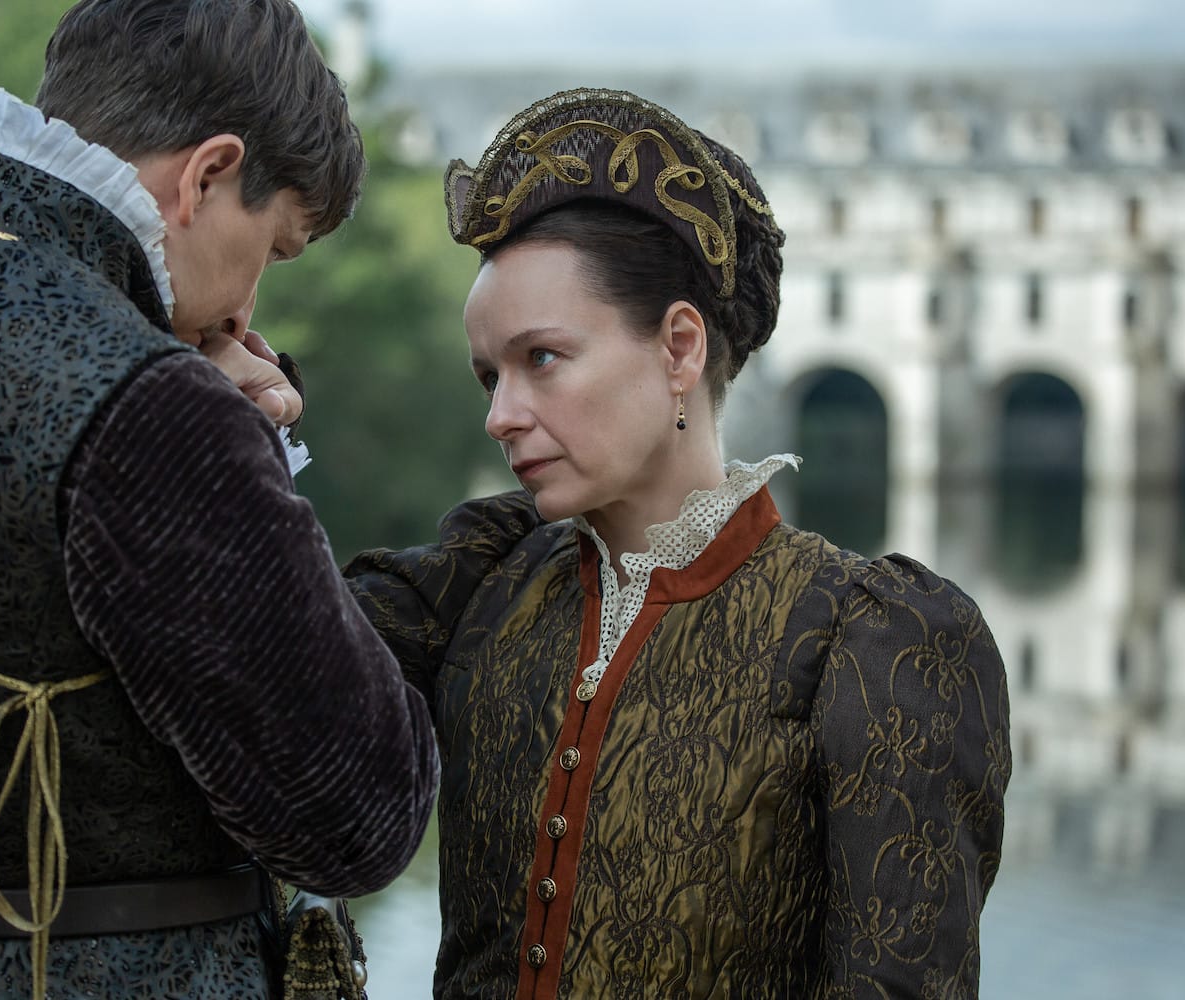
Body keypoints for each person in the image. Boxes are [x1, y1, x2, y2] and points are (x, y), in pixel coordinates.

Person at [0, 2, 436, 998]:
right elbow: (360, 815)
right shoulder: (158, 415)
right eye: (273, 249)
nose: (249, 309)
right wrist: (250, 442)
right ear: (207, 175)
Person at [345, 88, 1012, 998]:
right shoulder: (481, 581)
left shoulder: (869, 642)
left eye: (542, 358)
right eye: (489, 375)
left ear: (680, 350)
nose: (502, 415)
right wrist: (236, 422)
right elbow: (255, 682)